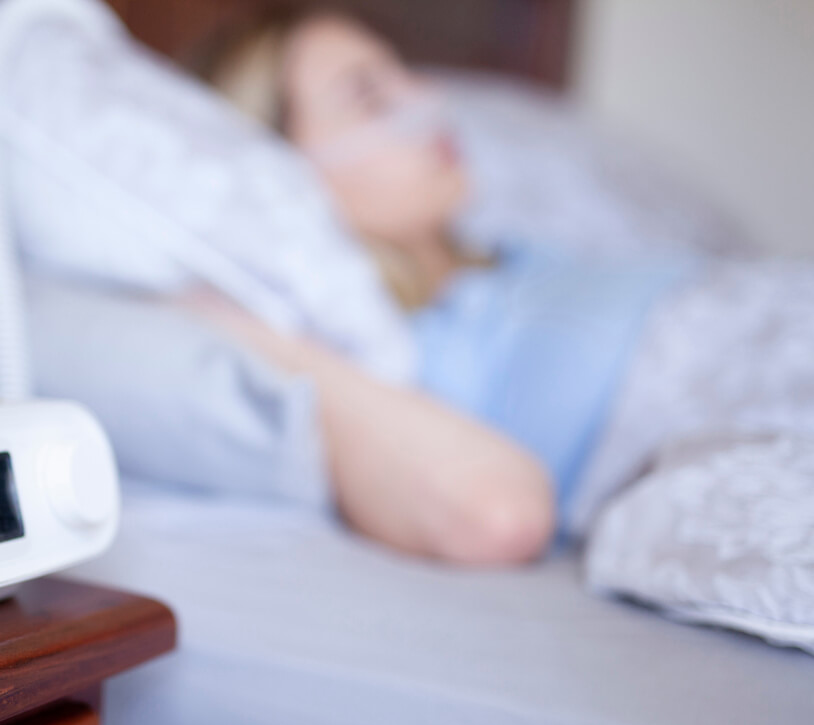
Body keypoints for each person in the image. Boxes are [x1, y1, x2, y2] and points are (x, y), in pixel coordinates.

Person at [183, 8, 814, 568]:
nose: (426, 97)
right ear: (280, 174)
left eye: (402, 71)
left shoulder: (509, 258)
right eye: (370, 97)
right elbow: (488, 513)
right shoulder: (398, 352)